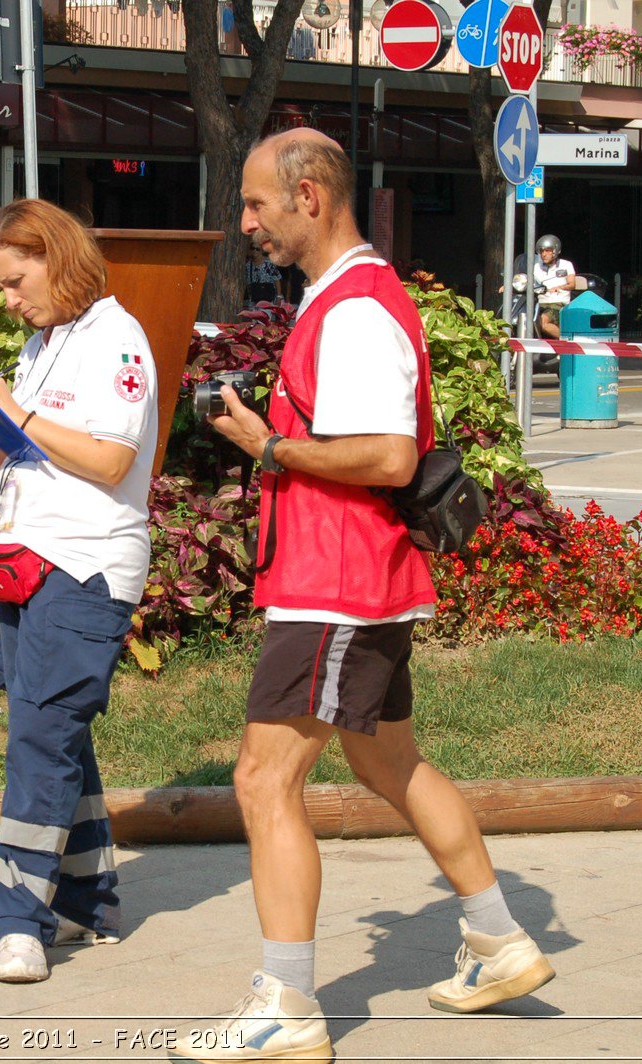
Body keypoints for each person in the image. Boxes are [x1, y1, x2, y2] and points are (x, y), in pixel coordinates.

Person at [173, 129, 553, 1062]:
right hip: (356, 584)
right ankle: (499, 940)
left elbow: (387, 455)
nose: (247, 222)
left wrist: (266, 446)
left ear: (310, 196)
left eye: (258, 203)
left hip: (335, 587)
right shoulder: (341, 302)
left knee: (263, 781)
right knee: (390, 765)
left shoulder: (353, 309)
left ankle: (286, 1006)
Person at [0, 198, 157, 984]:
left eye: (15, 280)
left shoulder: (117, 338)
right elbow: (24, 459)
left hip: (87, 565)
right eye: (0, 286)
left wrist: (17, 409)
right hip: (30, 555)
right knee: (55, 731)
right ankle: (87, 900)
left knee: (42, 735)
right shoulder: (43, 344)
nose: (8, 299)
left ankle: (18, 917)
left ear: (56, 258)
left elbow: (108, 462)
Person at [532, 233, 577, 339]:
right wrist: (510, 286)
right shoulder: (536, 267)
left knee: (543, 322)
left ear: (555, 251)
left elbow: (572, 284)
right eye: (542, 251)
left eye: (547, 250)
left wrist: (559, 287)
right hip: (539, 304)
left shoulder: (566, 264)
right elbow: (526, 280)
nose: (544, 254)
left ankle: (567, 343)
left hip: (558, 303)